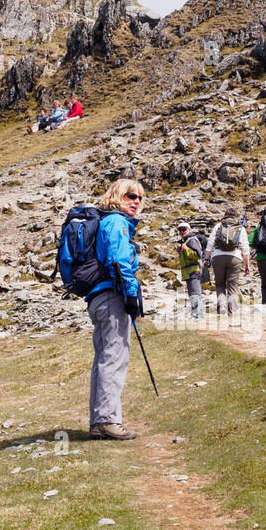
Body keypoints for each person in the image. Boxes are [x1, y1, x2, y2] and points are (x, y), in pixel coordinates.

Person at [81, 179, 145, 440]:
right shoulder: (117, 222)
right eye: (131, 195)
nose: (137, 201)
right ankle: (108, 420)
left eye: (140, 197)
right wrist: (131, 295)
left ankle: (99, 421)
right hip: (112, 296)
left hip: (98, 297)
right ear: (118, 196)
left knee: (103, 358)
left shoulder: (106, 222)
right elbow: (119, 261)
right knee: (114, 357)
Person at [203, 208, 250, 321]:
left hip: (218, 257)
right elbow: (245, 247)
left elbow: (210, 243)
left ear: (225, 216)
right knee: (232, 287)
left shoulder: (218, 226)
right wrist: (247, 265)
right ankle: (232, 312)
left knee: (220, 285)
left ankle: (221, 309)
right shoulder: (240, 227)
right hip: (235, 257)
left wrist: (206, 258)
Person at [176, 223, 204, 318]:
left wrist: (186, 249)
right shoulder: (186, 241)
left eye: (184, 229)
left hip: (194, 270)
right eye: (180, 230)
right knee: (192, 293)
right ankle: (196, 314)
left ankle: (198, 315)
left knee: (195, 293)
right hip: (188, 271)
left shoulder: (192, 240)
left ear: (189, 230)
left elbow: (198, 255)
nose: (182, 232)